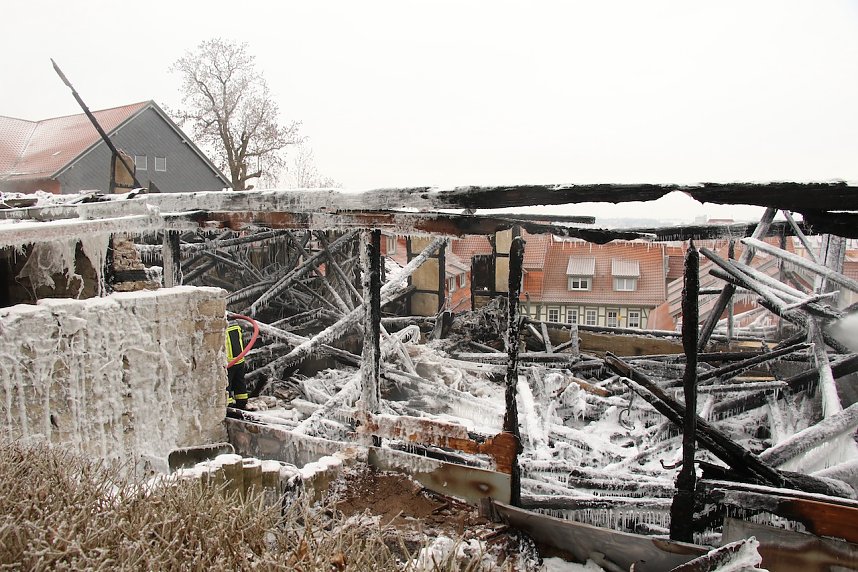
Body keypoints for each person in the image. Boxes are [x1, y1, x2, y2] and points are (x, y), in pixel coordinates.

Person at [225, 323, 248, 409]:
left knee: (226, 384)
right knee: (240, 382)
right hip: (239, 360)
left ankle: (228, 406)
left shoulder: (221, 326)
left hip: (228, 362)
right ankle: (242, 403)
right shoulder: (235, 323)